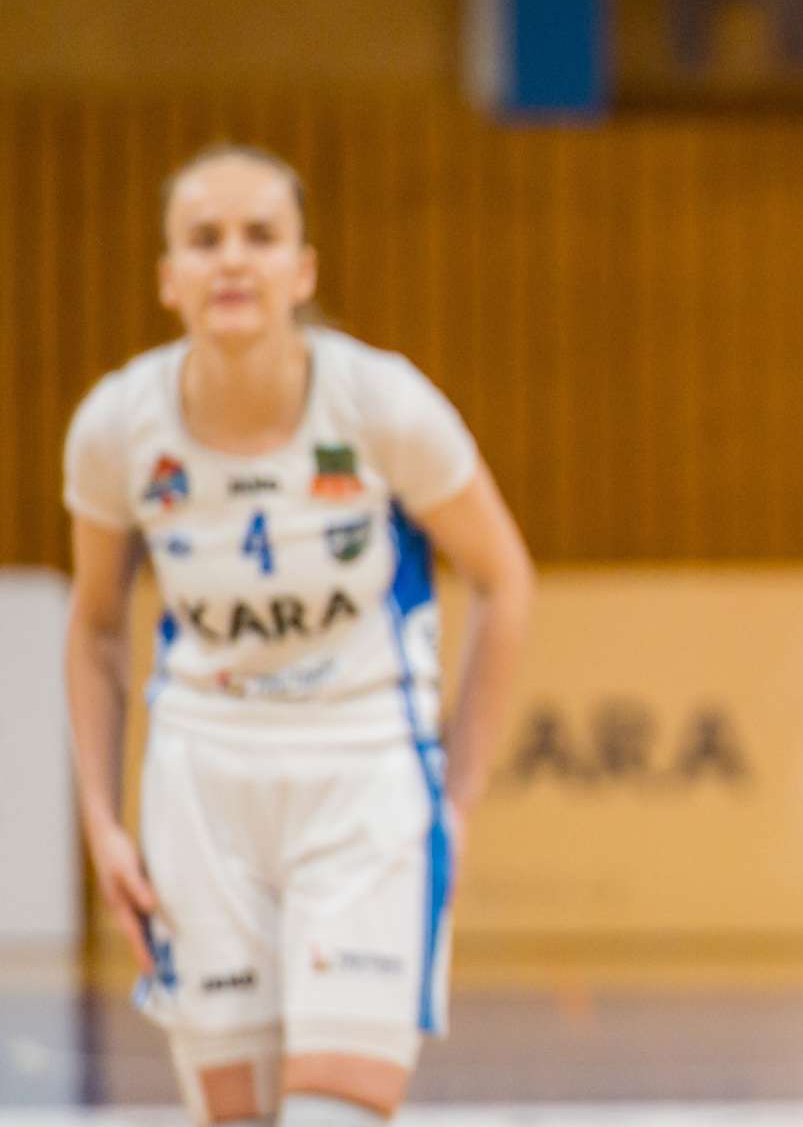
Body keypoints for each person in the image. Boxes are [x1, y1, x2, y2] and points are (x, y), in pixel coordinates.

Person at [62, 144, 535, 1126]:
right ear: (168, 278)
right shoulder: (118, 427)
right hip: (201, 781)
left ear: (303, 270)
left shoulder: (380, 404)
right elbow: (97, 628)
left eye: (260, 236)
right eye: (205, 239)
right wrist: (103, 823)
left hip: (362, 773)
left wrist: (458, 796)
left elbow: (505, 581)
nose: (233, 259)